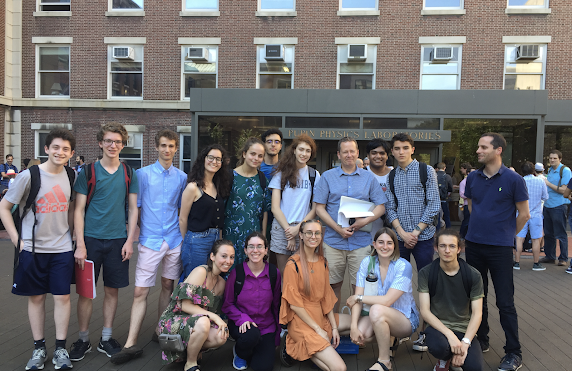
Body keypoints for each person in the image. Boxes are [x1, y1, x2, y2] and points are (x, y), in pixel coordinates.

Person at [0, 128, 76, 370]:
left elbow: (72, 208)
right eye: (55, 147)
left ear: (71, 153)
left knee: (63, 296)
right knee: (36, 297)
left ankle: (61, 348)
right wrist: (17, 240)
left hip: (62, 248)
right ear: (46, 149)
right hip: (32, 248)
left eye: (65, 149)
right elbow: (4, 207)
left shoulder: (71, 175)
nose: (60, 152)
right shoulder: (29, 176)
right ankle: (39, 348)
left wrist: (73, 236)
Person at [110, 130, 188, 365]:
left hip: (174, 239)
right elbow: (136, 209)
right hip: (150, 240)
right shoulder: (141, 175)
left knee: (168, 285)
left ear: (176, 149)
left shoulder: (182, 177)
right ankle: (131, 342)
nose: (167, 150)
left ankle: (159, 330)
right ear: (156, 147)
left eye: (171, 146)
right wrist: (131, 238)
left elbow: (181, 211)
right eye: (163, 145)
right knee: (140, 291)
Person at [70, 122, 139, 361]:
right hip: (90, 240)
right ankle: (83, 339)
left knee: (112, 290)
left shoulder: (129, 173)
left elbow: (132, 209)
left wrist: (130, 240)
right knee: (86, 293)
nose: (113, 145)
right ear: (100, 143)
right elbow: (78, 210)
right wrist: (80, 243)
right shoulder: (87, 172)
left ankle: (106, 338)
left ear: (123, 145)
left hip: (118, 240)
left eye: (118, 142)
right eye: (109, 141)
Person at [465, 133, 530, 371]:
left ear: (498, 150)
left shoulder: (514, 180)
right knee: (476, 299)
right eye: (478, 146)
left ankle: (514, 352)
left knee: (505, 302)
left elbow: (524, 214)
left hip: (500, 249)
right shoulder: (473, 177)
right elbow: (472, 205)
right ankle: (481, 339)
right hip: (474, 246)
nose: (478, 151)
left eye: (483, 147)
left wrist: (505, 233)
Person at [314, 137, 387, 312]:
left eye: (352, 151)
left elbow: (381, 207)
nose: (349, 155)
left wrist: (365, 221)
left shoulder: (368, 178)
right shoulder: (327, 177)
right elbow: (319, 208)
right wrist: (337, 228)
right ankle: (334, 326)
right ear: (338, 154)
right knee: (332, 287)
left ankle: (357, 327)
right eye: (345, 151)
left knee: (359, 288)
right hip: (333, 241)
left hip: (360, 242)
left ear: (357, 153)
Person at [279, 219, 352, 371]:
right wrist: (318, 330)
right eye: (309, 233)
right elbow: (294, 305)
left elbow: (327, 298)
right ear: (301, 235)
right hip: (302, 323)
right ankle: (292, 342)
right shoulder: (293, 265)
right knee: (340, 368)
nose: (313, 237)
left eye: (317, 233)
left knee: (363, 324)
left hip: (320, 316)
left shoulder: (322, 262)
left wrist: (334, 328)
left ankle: (309, 350)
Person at [346, 227, 420, 371]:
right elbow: (357, 300)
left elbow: (386, 301)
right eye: (381, 242)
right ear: (374, 244)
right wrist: (354, 326)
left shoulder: (403, 266)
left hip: (404, 318)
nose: (385, 247)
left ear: (394, 246)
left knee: (377, 309)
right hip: (378, 314)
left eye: (389, 243)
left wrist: (358, 297)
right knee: (362, 335)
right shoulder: (367, 262)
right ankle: (390, 337)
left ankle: (384, 361)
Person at [158, 240, 234, 371]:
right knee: (204, 321)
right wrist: (215, 318)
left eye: (231, 257)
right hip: (174, 319)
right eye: (224, 256)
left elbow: (212, 310)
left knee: (221, 335)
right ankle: (190, 363)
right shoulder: (201, 272)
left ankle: (192, 351)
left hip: (196, 322)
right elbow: (183, 305)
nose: (228, 261)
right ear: (212, 256)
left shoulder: (221, 283)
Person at [418, 229, 484, 371]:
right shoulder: (426, 273)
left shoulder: (473, 275)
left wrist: (465, 343)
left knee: (475, 368)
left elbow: (477, 313)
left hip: (463, 329)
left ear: (459, 249)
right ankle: (443, 359)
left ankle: (454, 358)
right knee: (440, 347)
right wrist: (450, 336)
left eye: (452, 246)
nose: (447, 250)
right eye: (442, 246)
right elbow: (424, 311)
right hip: (438, 329)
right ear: (436, 248)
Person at [222, 232, 281, 371]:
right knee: (251, 336)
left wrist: (277, 336)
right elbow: (227, 304)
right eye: (251, 247)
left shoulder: (274, 273)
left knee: (264, 367)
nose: (255, 250)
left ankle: (254, 350)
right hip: (242, 325)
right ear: (245, 250)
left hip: (266, 327)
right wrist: (242, 318)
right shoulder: (237, 273)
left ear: (266, 250)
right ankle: (240, 352)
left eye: (260, 246)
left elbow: (276, 305)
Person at [384, 132, 440, 272]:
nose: (401, 152)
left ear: (412, 150)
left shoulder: (426, 171)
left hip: (424, 236)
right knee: (399, 279)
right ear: (392, 151)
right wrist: (402, 233)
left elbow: (433, 205)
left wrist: (415, 233)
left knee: (426, 278)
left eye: (405, 148)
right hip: (400, 238)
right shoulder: (391, 176)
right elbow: (390, 208)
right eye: (397, 148)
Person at [269, 134, 320, 274]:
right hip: (282, 228)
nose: (304, 154)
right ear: (294, 150)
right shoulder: (281, 173)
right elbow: (275, 207)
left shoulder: (314, 175)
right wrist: (289, 232)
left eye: (308, 151)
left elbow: (315, 208)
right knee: (285, 274)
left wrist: (298, 228)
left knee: (303, 273)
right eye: (301, 149)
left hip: (304, 229)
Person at [179, 144, 231, 279]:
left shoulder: (218, 186)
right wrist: (188, 242)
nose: (214, 162)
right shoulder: (193, 187)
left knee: (208, 281)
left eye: (218, 159)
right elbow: (182, 219)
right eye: (211, 157)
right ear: (203, 159)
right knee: (192, 284)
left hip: (215, 240)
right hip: (196, 242)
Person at [224, 137, 270, 270]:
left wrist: (262, 237)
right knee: (229, 271)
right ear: (244, 154)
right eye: (253, 154)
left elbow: (265, 210)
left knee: (249, 273)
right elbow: (220, 209)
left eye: (260, 156)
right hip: (230, 234)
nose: (256, 158)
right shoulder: (229, 176)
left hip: (253, 237)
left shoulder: (262, 179)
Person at [514, 161, 549, 271]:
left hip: (521, 213)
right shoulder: (540, 181)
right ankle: (536, 263)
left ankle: (517, 262)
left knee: (519, 239)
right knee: (536, 239)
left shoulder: (519, 181)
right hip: (536, 214)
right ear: (533, 170)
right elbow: (545, 197)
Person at [540, 150, 570, 266]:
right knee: (548, 233)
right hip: (547, 205)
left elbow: (564, 190)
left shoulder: (565, 171)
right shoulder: (550, 170)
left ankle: (563, 258)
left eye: (554, 158)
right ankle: (550, 256)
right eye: (550, 158)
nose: (552, 160)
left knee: (560, 233)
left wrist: (547, 183)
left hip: (559, 205)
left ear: (560, 159)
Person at [365, 138, 393, 241]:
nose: (378, 156)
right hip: (366, 232)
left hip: (392, 232)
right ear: (368, 155)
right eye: (374, 153)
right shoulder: (362, 174)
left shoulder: (395, 174)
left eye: (382, 153)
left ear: (387, 155)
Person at [435, 163, 453, 230]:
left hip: (436, 199)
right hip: (444, 199)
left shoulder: (434, 175)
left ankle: (438, 231)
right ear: (444, 168)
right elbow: (451, 188)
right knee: (447, 215)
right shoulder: (447, 176)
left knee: (437, 216)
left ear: (437, 168)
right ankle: (448, 230)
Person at [458, 163, 472, 240]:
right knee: (466, 221)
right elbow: (462, 194)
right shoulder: (464, 182)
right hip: (466, 204)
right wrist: (470, 194)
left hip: (474, 204)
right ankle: (461, 236)